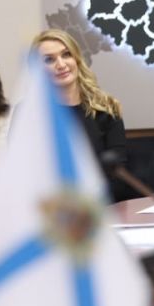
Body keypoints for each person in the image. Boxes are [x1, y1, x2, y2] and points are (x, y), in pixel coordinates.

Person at [30, 28, 129, 201]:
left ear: (76, 58)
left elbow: (119, 175)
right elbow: (26, 174)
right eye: (49, 60)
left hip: (101, 205)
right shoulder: (31, 114)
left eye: (66, 54)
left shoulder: (106, 109)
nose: (61, 65)